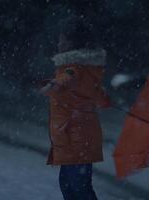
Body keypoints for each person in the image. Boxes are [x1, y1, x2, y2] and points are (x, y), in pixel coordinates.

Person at [39, 18, 111, 200]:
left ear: (71, 44)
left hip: (76, 138)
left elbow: (68, 78)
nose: (58, 43)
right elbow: (99, 98)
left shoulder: (73, 69)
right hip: (75, 139)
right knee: (69, 185)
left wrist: (54, 85)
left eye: (61, 40)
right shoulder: (87, 70)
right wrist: (103, 98)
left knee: (78, 188)